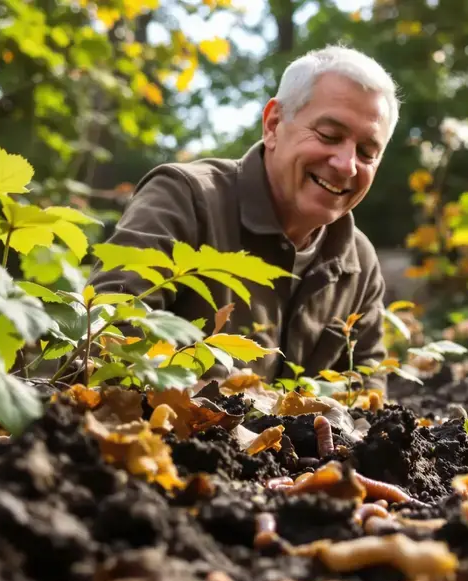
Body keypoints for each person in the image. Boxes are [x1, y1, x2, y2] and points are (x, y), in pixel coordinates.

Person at [88, 44, 399, 395]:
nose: (347, 164)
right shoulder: (185, 198)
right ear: (273, 124)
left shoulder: (359, 261)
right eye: (329, 136)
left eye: (367, 152)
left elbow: (367, 388)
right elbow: (110, 333)